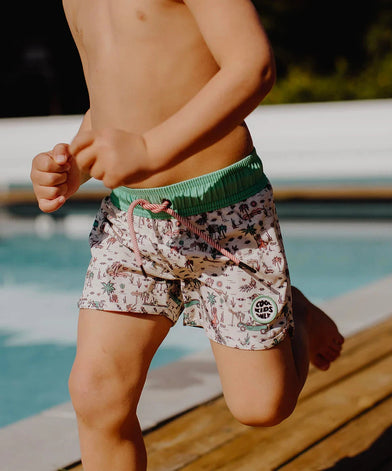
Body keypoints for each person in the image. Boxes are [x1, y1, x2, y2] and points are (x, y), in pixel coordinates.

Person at [30, 1, 344, 469]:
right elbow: (117, 87)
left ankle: (296, 314)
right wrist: (77, 162)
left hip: (226, 215)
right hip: (133, 221)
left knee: (262, 406)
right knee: (97, 396)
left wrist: (149, 147)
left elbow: (252, 66)